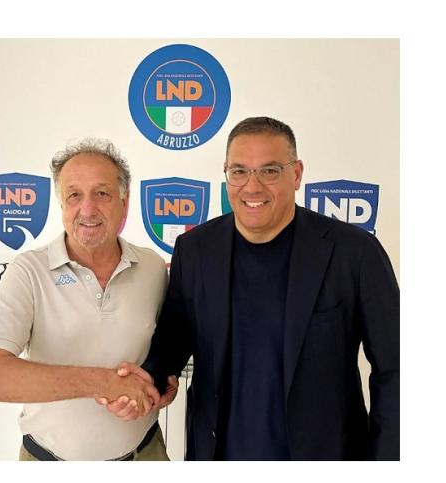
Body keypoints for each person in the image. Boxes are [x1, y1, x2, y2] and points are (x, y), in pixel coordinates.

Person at [103, 117, 400, 460]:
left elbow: (396, 368)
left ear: (297, 174)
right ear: (227, 174)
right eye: (240, 171)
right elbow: (174, 340)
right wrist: (146, 382)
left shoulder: (355, 252)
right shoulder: (196, 249)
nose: (252, 187)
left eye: (270, 171)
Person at [0, 138, 177, 461]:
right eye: (74, 195)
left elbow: (163, 347)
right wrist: (104, 383)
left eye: (102, 194)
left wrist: (161, 383)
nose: (87, 209)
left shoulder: (152, 267)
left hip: (146, 454)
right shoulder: (28, 271)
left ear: (125, 203)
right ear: (62, 205)